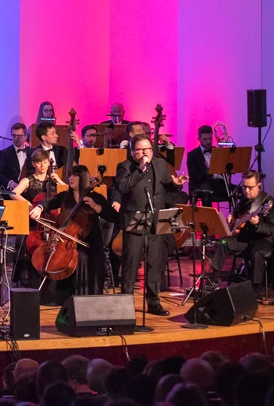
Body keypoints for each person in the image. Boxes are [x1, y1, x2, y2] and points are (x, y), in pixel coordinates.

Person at [112, 133, 188, 316]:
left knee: (155, 262)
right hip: (135, 218)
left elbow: (168, 186)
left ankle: (153, 301)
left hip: (158, 217)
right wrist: (140, 170)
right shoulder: (124, 166)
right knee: (131, 263)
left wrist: (177, 183)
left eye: (148, 149)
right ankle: (126, 303)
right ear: (133, 151)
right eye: (141, 150)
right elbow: (122, 187)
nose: (146, 153)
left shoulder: (160, 164)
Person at [30, 165, 118, 297]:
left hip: (91, 244)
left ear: (83, 178)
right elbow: (48, 202)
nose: (71, 178)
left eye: (75, 175)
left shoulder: (96, 197)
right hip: (66, 242)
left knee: (84, 258)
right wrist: (39, 208)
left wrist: (95, 206)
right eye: (70, 175)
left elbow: (113, 216)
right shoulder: (66, 197)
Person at [208, 170, 274, 296]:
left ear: (259, 185)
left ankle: (256, 290)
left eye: (250, 188)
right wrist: (232, 214)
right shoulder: (245, 199)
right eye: (244, 187)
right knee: (223, 242)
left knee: (257, 252)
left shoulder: (269, 203)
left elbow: (272, 229)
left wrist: (257, 224)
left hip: (262, 240)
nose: (246, 191)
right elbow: (237, 213)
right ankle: (213, 281)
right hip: (245, 239)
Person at [186, 125, 228, 205]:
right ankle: (209, 213)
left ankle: (240, 212)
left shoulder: (218, 151)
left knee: (239, 190)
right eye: (205, 139)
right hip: (203, 184)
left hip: (220, 184)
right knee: (206, 191)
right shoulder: (192, 155)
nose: (208, 141)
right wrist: (207, 171)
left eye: (210, 138)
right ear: (199, 139)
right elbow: (194, 177)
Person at [0, 123, 31, 189]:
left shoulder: (32, 152)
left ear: (25, 137)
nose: (16, 138)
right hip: (12, 190)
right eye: (14, 135)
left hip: (29, 189)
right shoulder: (4, 153)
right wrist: (10, 182)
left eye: (19, 136)